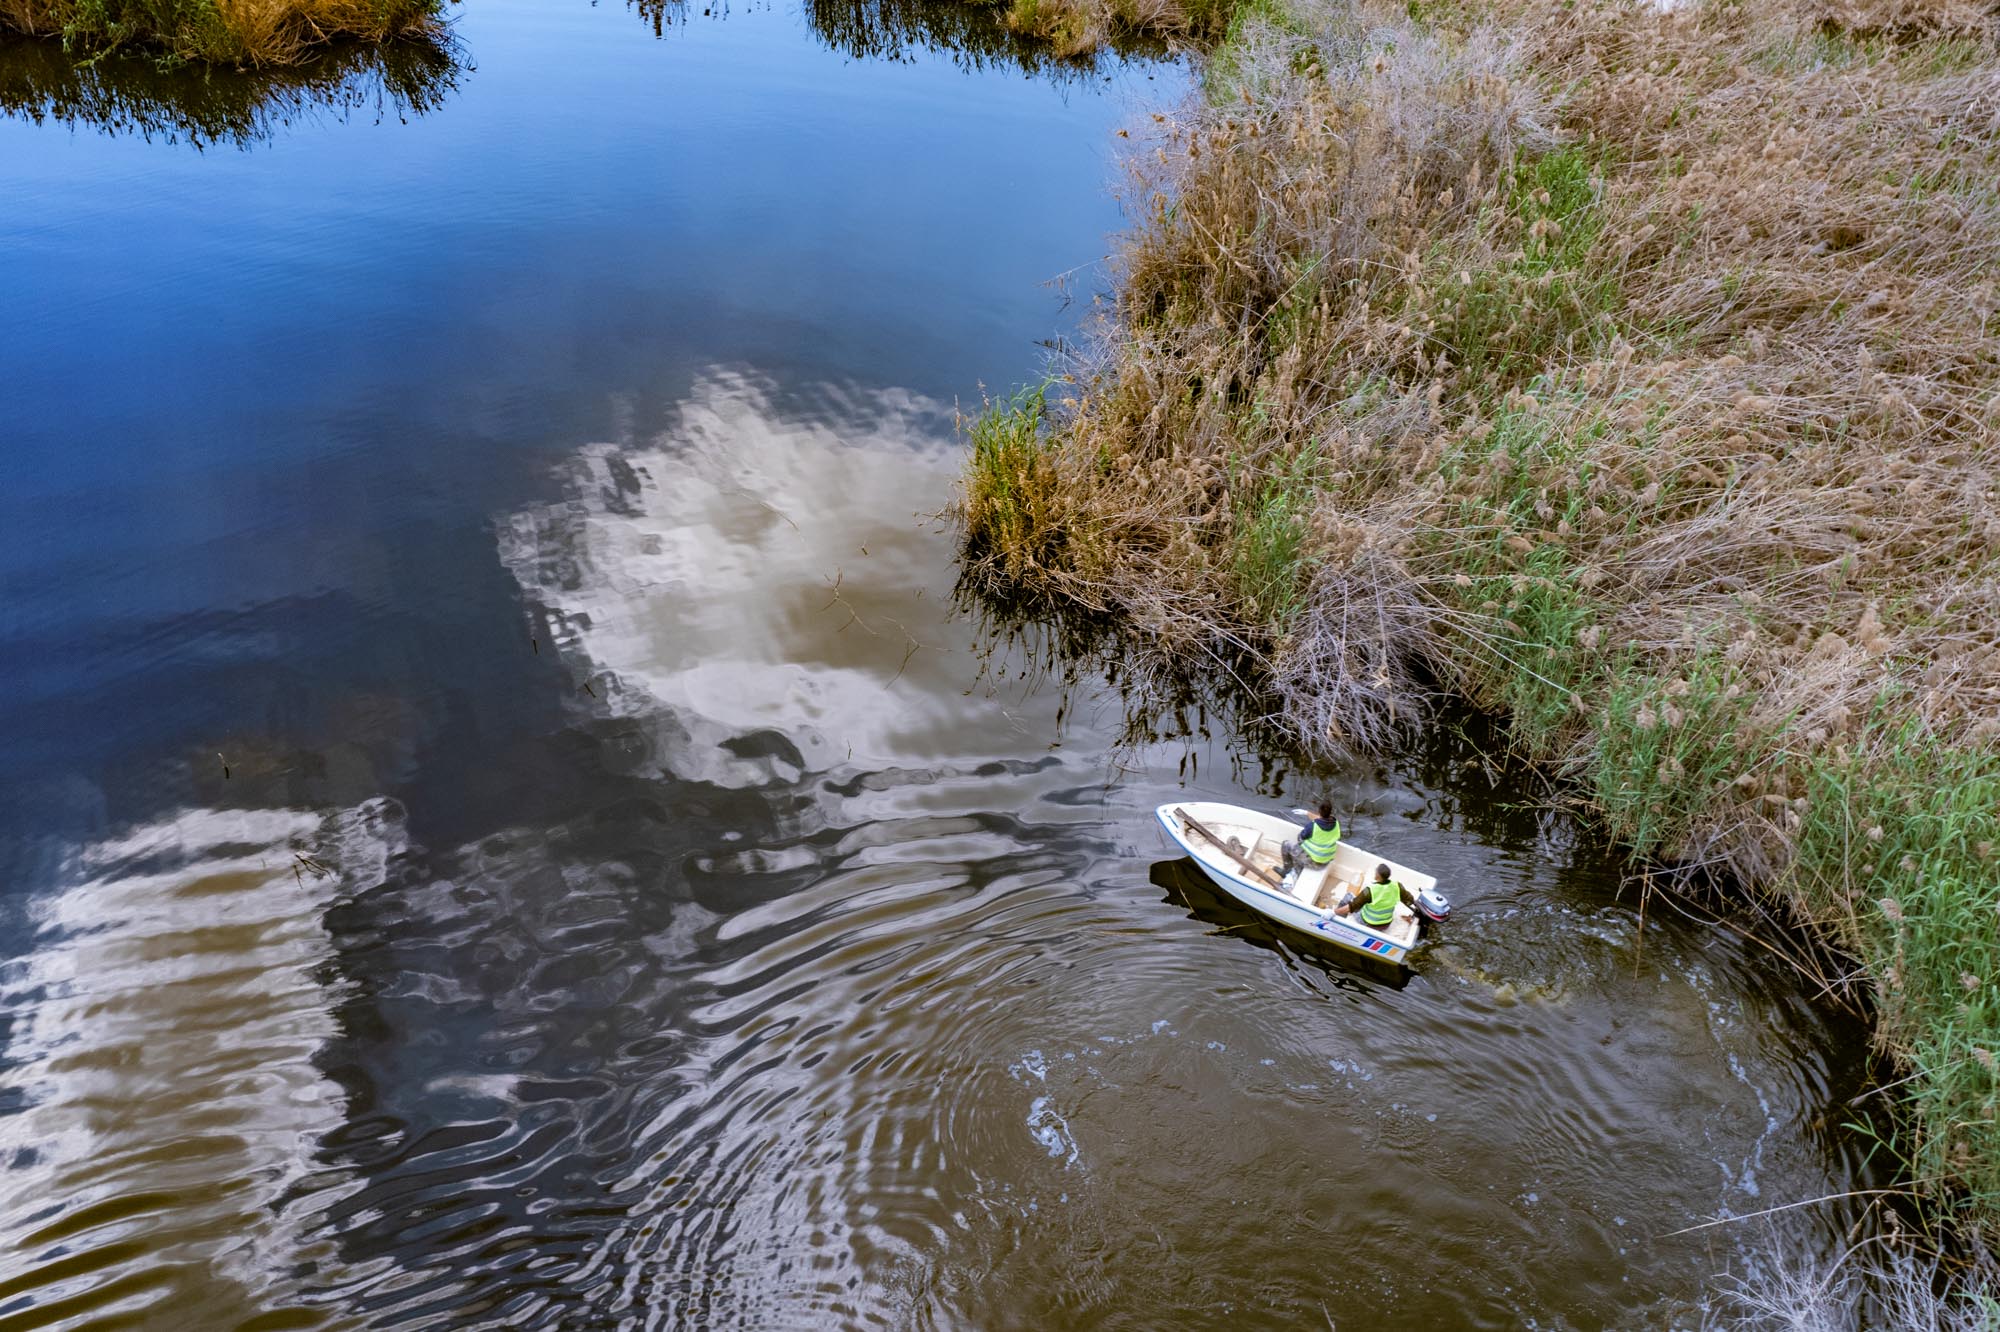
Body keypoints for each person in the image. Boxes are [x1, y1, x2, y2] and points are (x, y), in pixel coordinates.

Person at [1337, 863, 1414, 930]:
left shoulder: (1370, 891)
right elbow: (1409, 900)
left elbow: (1351, 907)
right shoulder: (1397, 886)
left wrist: (1333, 912)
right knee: (1365, 902)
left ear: (1377, 876)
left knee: (1348, 896)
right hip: (1386, 924)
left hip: (1369, 923)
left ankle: (1337, 919)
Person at [1282, 800, 1342, 877]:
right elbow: (1323, 819)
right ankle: (1297, 865)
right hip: (1326, 860)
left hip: (1315, 863)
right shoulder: (1336, 823)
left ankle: (1287, 871)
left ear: (1319, 811)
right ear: (1330, 812)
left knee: (1286, 844)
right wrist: (1307, 813)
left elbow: (1301, 837)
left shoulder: (1313, 826)